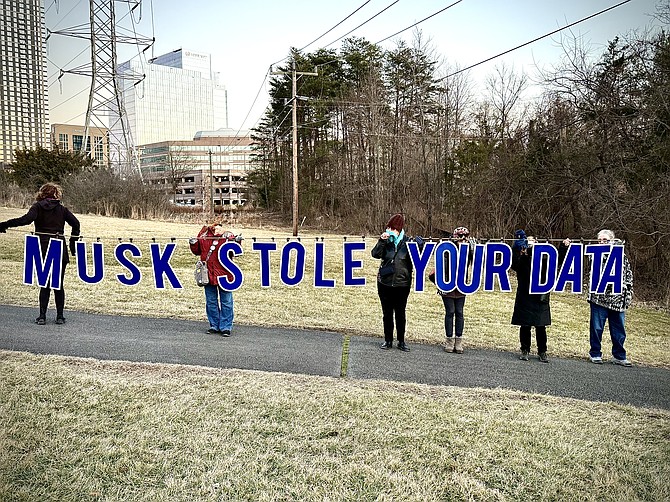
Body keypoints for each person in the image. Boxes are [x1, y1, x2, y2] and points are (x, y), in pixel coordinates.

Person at [0, 182, 80, 324]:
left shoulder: (37, 207)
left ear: (42, 193)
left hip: (42, 247)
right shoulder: (62, 209)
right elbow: (76, 223)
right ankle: (60, 317)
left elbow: (25, 220)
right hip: (59, 246)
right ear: (56, 194)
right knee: (58, 284)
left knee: (45, 284)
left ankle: (42, 316)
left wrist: (5, 224)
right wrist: (73, 242)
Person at [564, 230, 633, 366]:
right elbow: (580, 253)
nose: (602, 242)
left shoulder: (621, 256)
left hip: (617, 301)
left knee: (619, 330)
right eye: (600, 240)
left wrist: (628, 295)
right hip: (598, 299)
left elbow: (628, 277)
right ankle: (595, 353)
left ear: (612, 240)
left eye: (605, 240)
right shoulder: (594, 255)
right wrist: (570, 245)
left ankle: (619, 355)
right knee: (596, 328)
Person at [371, 213, 422, 352]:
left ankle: (401, 341)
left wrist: (420, 246)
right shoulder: (386, 242)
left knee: (400, 313)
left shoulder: (408, 242)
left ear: (398, 230)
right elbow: (375, 254)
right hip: (384, 283)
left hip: (402, 284)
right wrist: (381, 241)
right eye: (388, 228)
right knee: (387, 313)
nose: (389, 231)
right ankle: (388, 340)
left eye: (392, 228)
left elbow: (417, 260)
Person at [189, 222, 242, 336]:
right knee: (211, 301)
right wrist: (193, 244)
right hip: (208, 273)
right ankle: (214, 325)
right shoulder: (203, 234)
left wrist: (237, 241)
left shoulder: (228, 235)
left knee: (226, 301)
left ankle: (225, 327)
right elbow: (197, 251)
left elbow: (235, 251)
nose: (217, 228)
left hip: (225, 274)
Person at [429, 226, 474, 354]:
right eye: (460, 236)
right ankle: (449, 340)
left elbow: (474, 260)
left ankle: (458, 341)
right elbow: (439, 265)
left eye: (465, 236)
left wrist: (470, 247)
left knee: (459, 312)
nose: (462, 239)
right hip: (447, 284)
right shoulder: (447, 249)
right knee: (450, 311)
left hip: (461, 285)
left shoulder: (468, 250)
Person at [511, 231, 551, 363]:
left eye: (531, 240)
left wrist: (563, 248)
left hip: (540, 293)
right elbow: (515, 266)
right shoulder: (521, 255)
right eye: (527, 241)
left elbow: (554, 263)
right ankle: (524, 349)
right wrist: (519, 250)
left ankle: (542, 351)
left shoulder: (544, 255)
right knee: (525, 324)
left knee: (541, 326)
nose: (529, 243)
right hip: (524, 293)